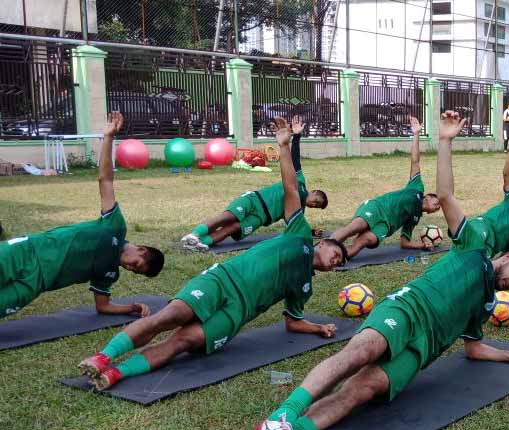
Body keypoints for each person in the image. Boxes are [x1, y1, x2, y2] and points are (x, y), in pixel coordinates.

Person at [249, 110, 509, 430]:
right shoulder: (475, 244)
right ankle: (282, 415)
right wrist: (446, 141)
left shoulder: (485, 302)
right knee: (359, 353)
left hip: (422, 351)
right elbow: (447, 196)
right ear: (507, 256)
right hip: (408, 310)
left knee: (363, 390)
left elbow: (474, 350)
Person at [78, 118, 348, 390]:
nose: (336, 262)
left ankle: (115, 374)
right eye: (337, 254)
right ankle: (103, 358)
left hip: (236, 313)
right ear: (323, 243)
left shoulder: (305, 286)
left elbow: (293, 322)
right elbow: (291, 187)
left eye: (339, 265)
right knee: (167, 318)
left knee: (180, 342)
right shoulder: (299, 233)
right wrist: (285, 146)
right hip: (222, 281)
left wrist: (318, 328)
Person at [1, 111, 164, 320]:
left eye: (135, 272)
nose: (131, 268)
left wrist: (133, 307)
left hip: (35, 283)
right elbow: (105, 180)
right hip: (26, 252)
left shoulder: (109, 273)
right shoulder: (114, 227)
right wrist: (109, 137)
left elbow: (103, 307)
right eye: (138, 265)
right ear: (141, 250)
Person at [181, 116, 328, 251]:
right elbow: (295, 158)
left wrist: (312, 231)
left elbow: (295, 225)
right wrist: (297, 135)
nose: (313, 204)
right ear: (313, 192)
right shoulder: (300, 181)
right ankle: (194, 235)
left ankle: (201, 243)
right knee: (228, 217)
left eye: (316, 206)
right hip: (254, 200)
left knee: (232, 228)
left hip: (260, 218)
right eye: (316, 201)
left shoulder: (298, 208)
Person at [328, 116, 441, 260]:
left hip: (385, 226)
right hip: (378, 208)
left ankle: (338, 259)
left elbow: (404, 243)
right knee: (356, 227)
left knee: (365, 240)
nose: (437, 207)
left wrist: (422, 246)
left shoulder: (415, 217)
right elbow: (415, 160)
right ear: (428, 197)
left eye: (438, 208)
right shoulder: (417, 187)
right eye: (437, 203)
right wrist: (416, 134)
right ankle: (323, 249)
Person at [434, 114, 509, 258]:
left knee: (472, 265)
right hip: (481, 229)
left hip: (487, 251)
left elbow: (506, 260)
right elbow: (507, 173)